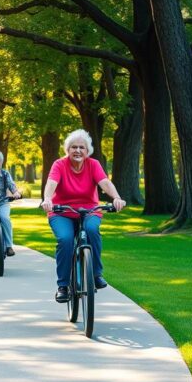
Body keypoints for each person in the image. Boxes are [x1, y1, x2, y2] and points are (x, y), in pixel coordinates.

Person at [40, 129, 126, 302]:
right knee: (65, 239)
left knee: (92, 230)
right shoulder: (59, 164)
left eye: (81, 147)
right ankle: (63, 286)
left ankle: (96, 274)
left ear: (87, 151)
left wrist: (116, 198)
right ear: (67, 150)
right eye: (73, 147)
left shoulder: (93, 164)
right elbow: (51, 183)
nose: (77, 151)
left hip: (89, 210)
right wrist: (47, 199)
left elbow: (105, 183)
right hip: (61, 211)